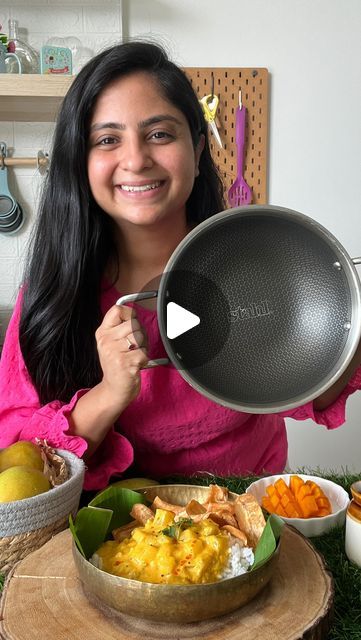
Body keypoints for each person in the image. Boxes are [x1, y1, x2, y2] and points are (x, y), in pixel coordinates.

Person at [0, 41, 360, 492]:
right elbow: (20, 457)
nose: (135, 160)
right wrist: (109, 393)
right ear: (80, 160)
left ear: (197, 145)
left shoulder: (254, 263)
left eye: (159, 134)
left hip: (248, 514)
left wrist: (348, 321)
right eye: (108, 139)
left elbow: (315, 387)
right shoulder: (55, 294)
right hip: (109, 532)